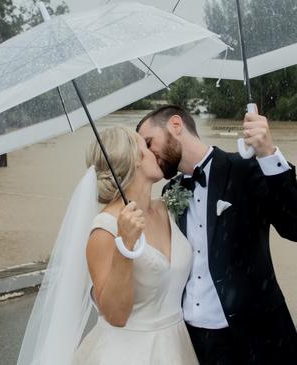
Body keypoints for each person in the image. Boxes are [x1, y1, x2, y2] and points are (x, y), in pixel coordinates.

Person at [137, 104, 297, 364]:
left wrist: (268, 153)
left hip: (256, 339)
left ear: (176, 125)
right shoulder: (170, 192)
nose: (148, 154)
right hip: (196, 343)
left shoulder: (245, 169)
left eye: (149, 142)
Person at [70, 126, 199, 364]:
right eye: (147, 146)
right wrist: (125, 245)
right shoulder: (105, 229)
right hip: (128, 353)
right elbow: (116, 315)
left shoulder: (166, 207)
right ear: (134, 159)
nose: (154, 152)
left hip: (177, 345)